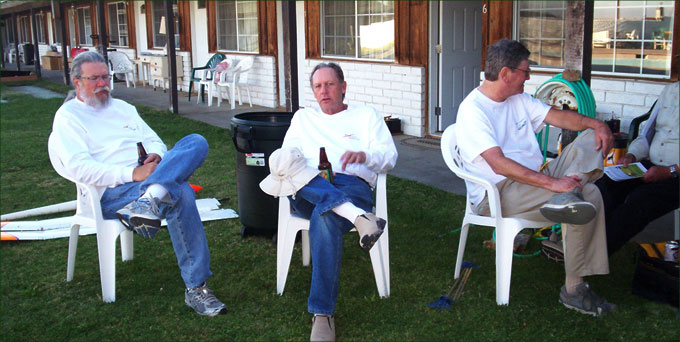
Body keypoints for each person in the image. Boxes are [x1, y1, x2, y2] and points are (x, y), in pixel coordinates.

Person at [50, 51, 226, 316]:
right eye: (94, 78)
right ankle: (196, 289)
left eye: (106, 77)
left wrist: (156, 155)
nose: (102, 83)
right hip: (109, 195)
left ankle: (149, 201)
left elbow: (153, 139)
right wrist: (131, 174)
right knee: (182, 193)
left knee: (196, 142)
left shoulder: (123, 108)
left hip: (144, 183)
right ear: (77, 82)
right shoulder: (68, 117)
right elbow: (79, 167)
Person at [454, 39, 616, 317]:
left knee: (590, 139)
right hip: (498, 192)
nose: (529, 77)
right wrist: (554, 184)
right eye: (525, 71)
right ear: (506, 74)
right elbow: (499, 164)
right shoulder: (473, 110)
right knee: (588, 195)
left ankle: (569, 192)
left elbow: (563, 119)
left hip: (536, 179)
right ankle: (575, 289)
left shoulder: (518, 100)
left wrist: (597, 124)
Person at [260, 62, 397, 341]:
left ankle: (322, 314)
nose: (324, 91)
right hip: (307, 188)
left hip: (351, 184)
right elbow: (286, 159)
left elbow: (389, 156)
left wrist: (365, 156)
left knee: (325, 217)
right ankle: (359, 218)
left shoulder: (366, 116)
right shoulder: (303, 119)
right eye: (318, 86)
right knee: (282, 161)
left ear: (343, 87)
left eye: (330, 84)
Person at [596, 81, 679, 255]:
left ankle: (598, 254)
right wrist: (631, 155)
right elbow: (647, 134)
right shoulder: (670, 90)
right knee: (606, 183)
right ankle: (584, 241)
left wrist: (670, 170)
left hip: (675, 173)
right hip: (653, 165)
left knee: (640, 199)